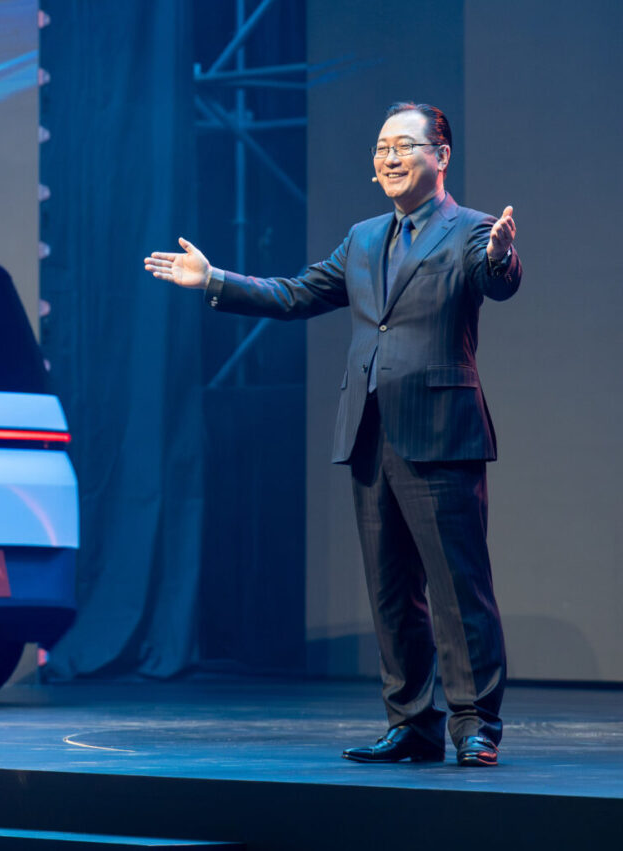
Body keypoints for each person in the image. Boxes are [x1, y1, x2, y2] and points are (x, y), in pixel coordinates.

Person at [143, 101, 519, 767]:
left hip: (441, 431)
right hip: (371, 432)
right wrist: (216, 281)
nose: (390, 157)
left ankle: (474, 724)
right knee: (391, 592)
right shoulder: (364, 238)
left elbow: (496, 278)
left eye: (404, 146)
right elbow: (295, 294)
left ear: (441, 156)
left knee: (459, 589)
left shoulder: (471, 229)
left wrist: (500, 256)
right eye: (382, 147)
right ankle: (413, 723)